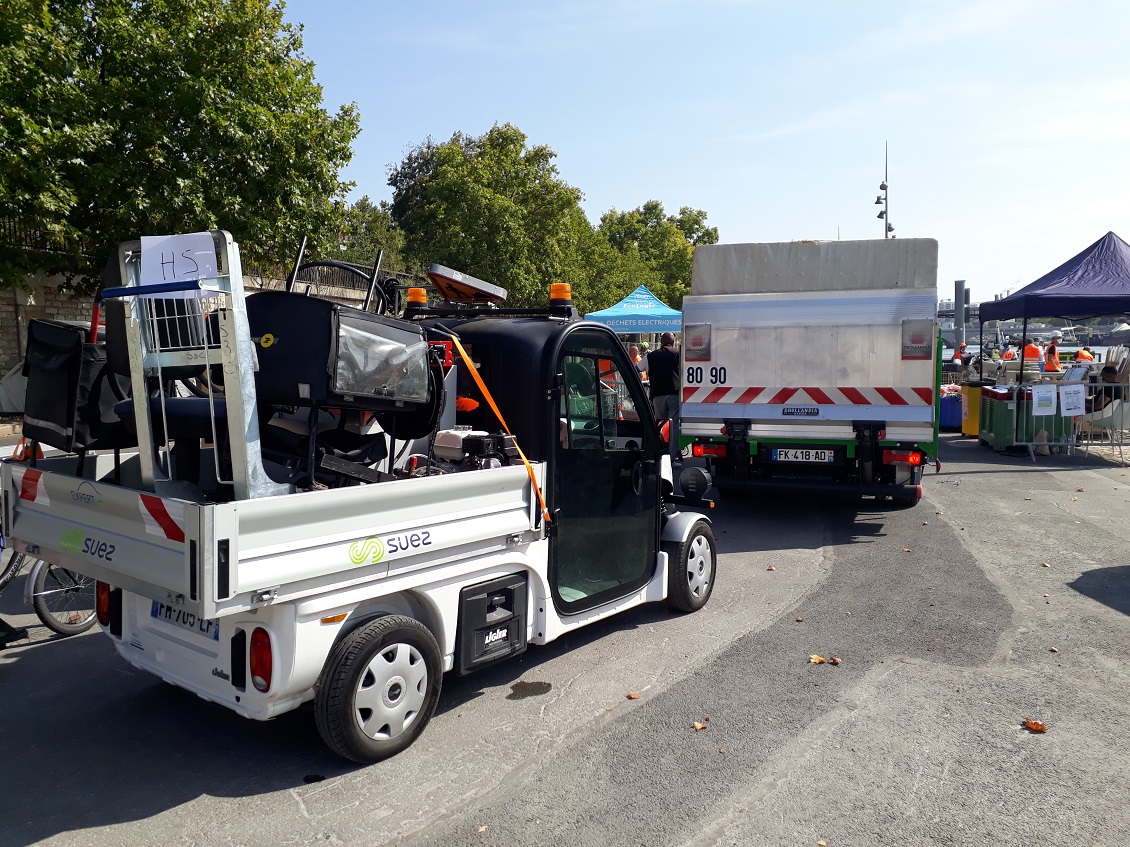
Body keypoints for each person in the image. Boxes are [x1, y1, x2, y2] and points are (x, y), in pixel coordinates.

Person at [645, 331, 680, 461]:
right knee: (673, 426)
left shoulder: (651, 356)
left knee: (660, 425)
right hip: (673, 394)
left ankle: (658, 454)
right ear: (673, 341)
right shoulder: (678, 353)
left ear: (661, 341)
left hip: (657, 395)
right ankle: (672, 456)